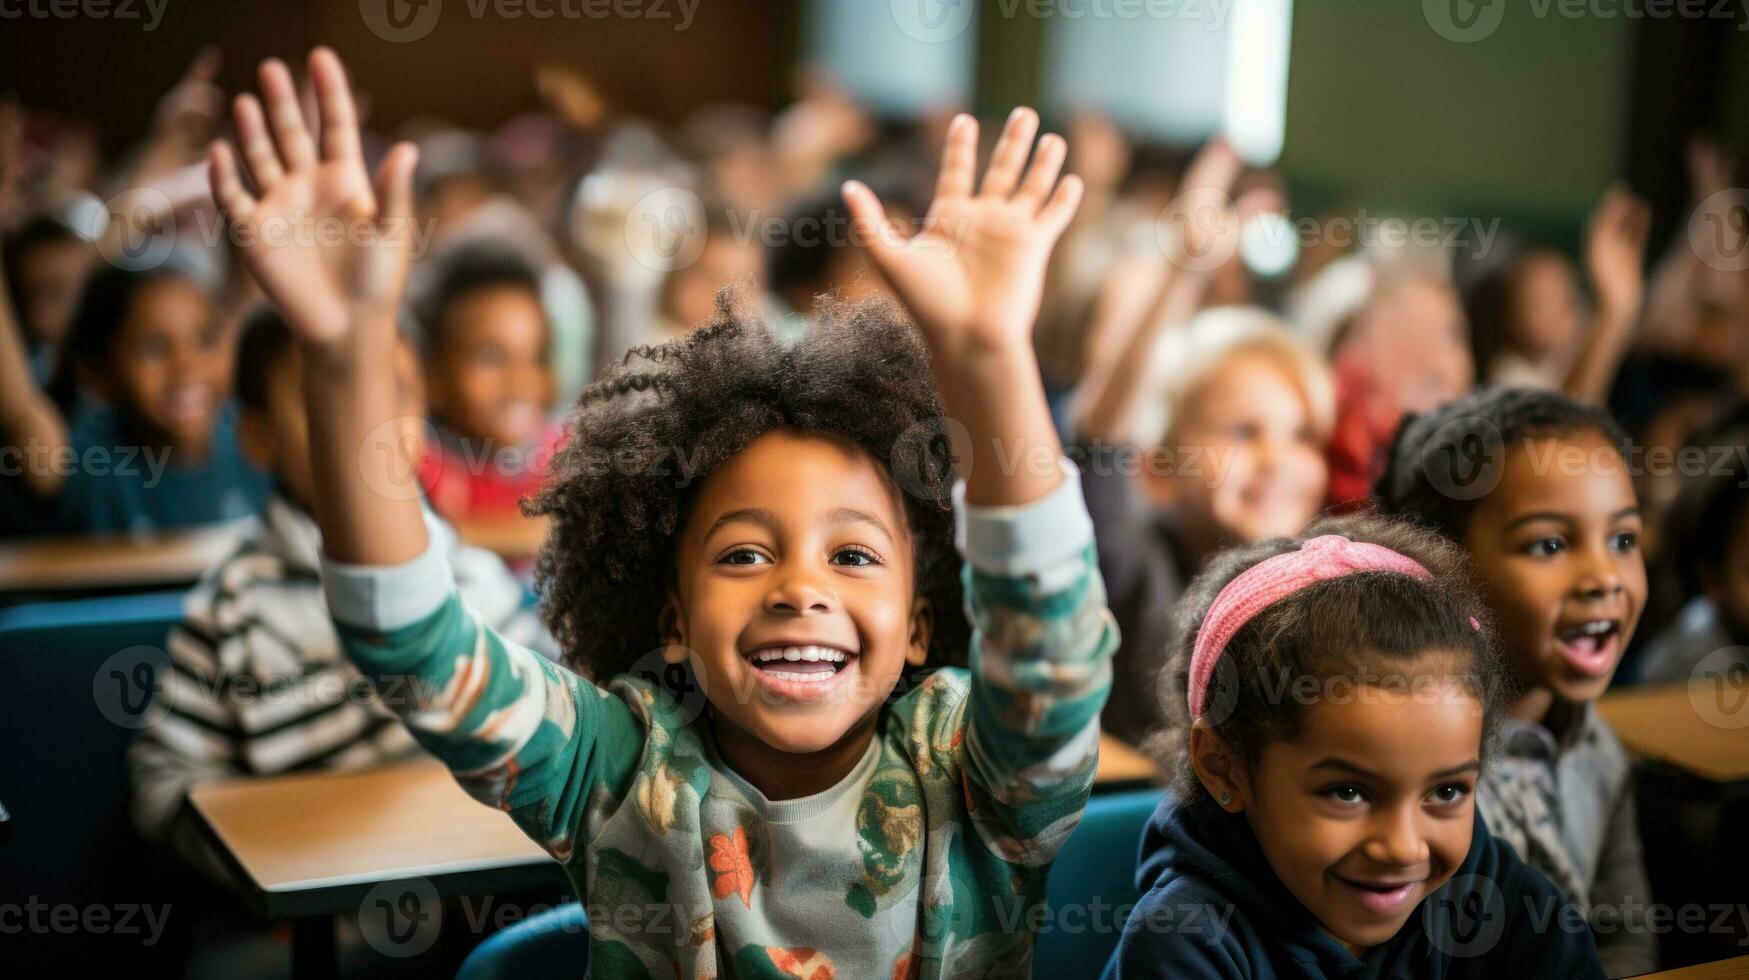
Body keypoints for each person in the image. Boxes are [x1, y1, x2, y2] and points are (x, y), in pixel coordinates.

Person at [212, 50, 1113, 976]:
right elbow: (417, 649)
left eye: (852, 557)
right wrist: (343, 354)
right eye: (742, 556)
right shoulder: (615, 771)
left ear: (920, 625)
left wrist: (990, 355)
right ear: (673, 620)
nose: (799, 587)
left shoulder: (974, 774)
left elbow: (1055, 654)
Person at [126, 305, 552, 884]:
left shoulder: (471, 576)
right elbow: (163, 781)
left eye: (395, 395)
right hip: (314, 921)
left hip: (469, 900)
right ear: (257, 436)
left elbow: (547, 733)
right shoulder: (234, 607)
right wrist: (257, 869)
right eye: (328, 404)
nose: (370, 430)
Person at [1106, 515, 1605, 978]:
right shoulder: (1183, 942)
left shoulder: (1502, 899)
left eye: (1448, 791)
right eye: (1348, 793)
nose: (1403, 847)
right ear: (1224, 768)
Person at [1376, 388, 1657, 977]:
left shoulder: (1596, 744)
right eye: (1549, 544)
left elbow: (1627, 935)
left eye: (1623, 540)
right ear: (1443, 569)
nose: (1604, 577)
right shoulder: (1421, 775)